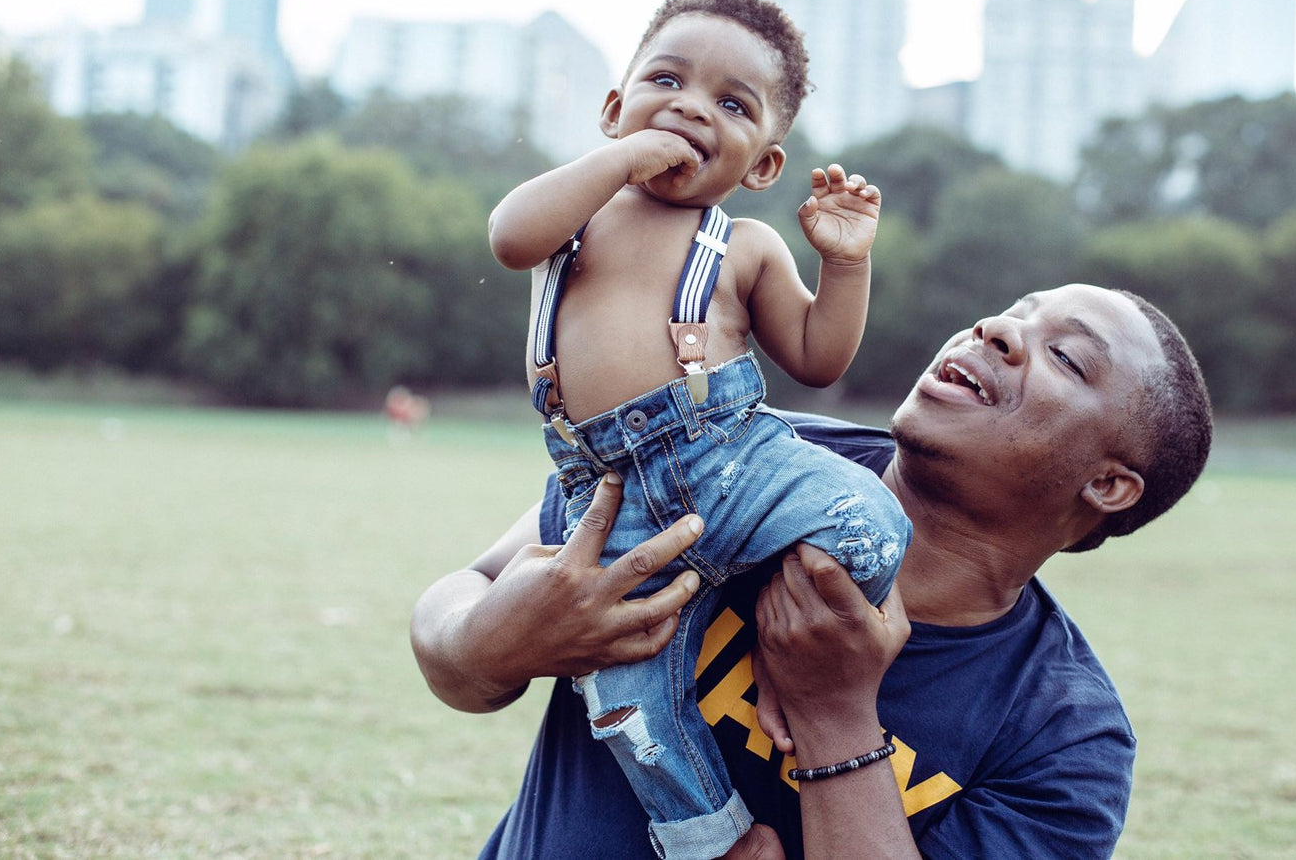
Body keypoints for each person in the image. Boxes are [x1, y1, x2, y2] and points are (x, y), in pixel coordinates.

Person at [411, 283, 1214, 858]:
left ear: (1107, 484)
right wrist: (488, 644)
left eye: (1066, 357)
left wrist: (834, 715)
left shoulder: (1063, 739)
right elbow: (459, 602)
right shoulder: (735, 449)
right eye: (1015, 311)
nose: (996, 330)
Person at [484, 0, 910, 858]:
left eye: (729, 103)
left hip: (729, 459)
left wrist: (845, 264)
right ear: (613, 109)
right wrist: (621, 161)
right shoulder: (573, 218)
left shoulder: (745, 244)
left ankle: (791, 674)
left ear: (760, 164)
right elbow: (506, 235)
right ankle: (711, 838)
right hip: (608, 496)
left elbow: (818, 358)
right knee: (630, 703)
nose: (688, 107)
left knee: (870, 519)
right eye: (665, 81)